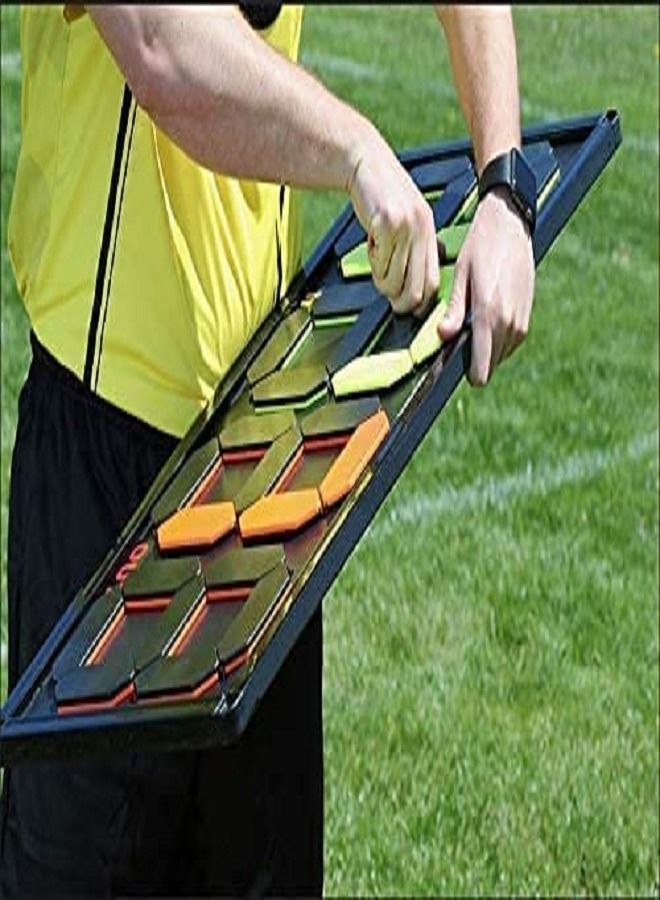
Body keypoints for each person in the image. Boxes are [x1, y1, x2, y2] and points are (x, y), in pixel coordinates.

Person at [0, 4, 535, 896]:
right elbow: (166, 47)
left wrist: (507, 187)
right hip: (106, 456)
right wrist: (357, 149)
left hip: (260, 439)